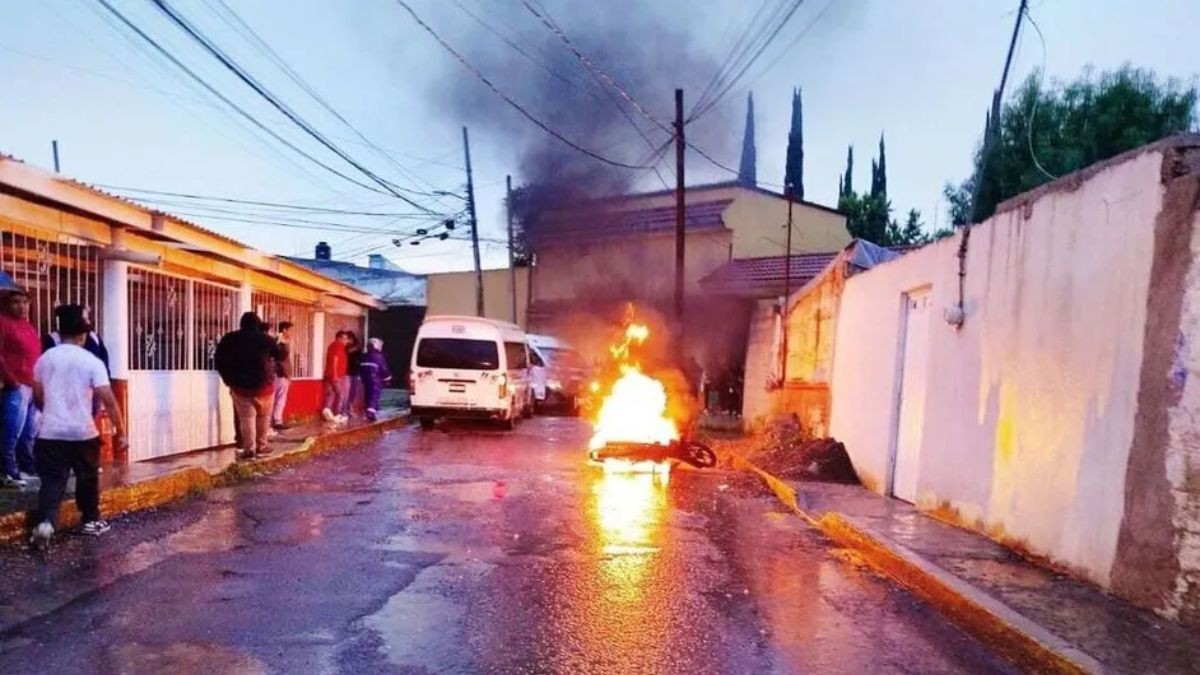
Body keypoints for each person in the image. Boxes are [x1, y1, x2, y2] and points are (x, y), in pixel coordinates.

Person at [28, 305, 127, 546]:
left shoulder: (44, 359)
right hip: (82, 433)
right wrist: (121, 432)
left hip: (50, 433)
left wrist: (51, 412)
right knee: (87, 477)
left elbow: (38, 395)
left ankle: (46, 523)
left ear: (59, 334)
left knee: (52, 480)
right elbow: (109, 399)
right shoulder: (91, 361)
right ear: (83, 336)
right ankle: (90, 520)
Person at [215, 312, 279, 459]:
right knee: (263, 417)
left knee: (246, 419)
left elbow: (219, 361)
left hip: (240, 388)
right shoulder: (266, 339)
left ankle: (249, 449)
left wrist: (228, 380)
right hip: (265, 388)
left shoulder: (229, 339)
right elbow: (279, 356)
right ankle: (262, 446)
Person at [0, 287, 42, 488]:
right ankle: (8, 472)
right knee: (11, 431)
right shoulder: (3, 323)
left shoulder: (29, 326)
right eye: (16, 302)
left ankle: (26, 468)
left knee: (29, 433)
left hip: (32, 385)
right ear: (8, 304)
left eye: (25, 302)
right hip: (16, 386)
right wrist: (12, 380)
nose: (22, 306)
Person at [360, 338, 392, 422]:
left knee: (368, 395)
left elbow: (361, 367)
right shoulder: (379, 356)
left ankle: (368, 410)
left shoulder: (364, 356)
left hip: (365, 379)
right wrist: (387, 378)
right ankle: (370, 413)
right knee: (374, 395)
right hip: (376, 379)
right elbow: (384, 369)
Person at [322, 331, 350, 424]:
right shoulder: (338, 346)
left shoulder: (332, 346)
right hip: (336, 375)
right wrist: (335, 375)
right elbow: (335, 359)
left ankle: (327, 411)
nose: (346, 341)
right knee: (340, 394)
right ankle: (337, 414)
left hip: (329, 375)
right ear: (339, 338)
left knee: (330, 394)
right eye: (344, 338)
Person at [272, 321, 294, 431]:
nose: (291, 333)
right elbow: (280, 361)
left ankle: (276, 420)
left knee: (278, 398)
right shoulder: (281, 343)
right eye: (290, 330)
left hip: (279, 374)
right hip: (281, 374)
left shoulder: (279, 341)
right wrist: (287, 375)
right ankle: (277, 420)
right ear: (284, 330)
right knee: (280, 398)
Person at [343, 331, 363, 418]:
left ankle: (349, 409)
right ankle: (344, 411)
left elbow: (360, 359)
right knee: (346, 393)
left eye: (349, 339)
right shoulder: (344, 348)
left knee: (353, 393)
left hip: (355, 373)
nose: (348, 340)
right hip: (346, 373)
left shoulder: (358, 349)